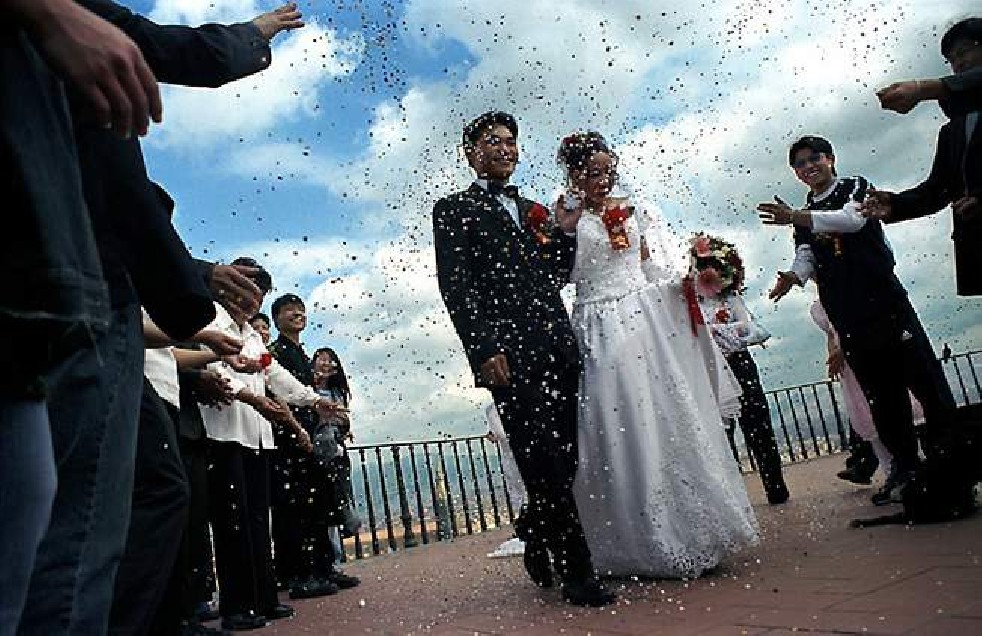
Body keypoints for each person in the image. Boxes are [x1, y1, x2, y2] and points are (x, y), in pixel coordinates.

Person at [1, 0, 158, 631]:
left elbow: (157, 45)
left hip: (29, 297)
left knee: (29, 503)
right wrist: (48, 11)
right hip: (39, 285)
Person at [555, 131, 757, 578]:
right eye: (593, 172)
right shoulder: (564, 215)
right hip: (595, 321)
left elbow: (648, 266)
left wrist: (690, 279)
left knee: (661, 412)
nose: (604, 179)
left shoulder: (635, 208)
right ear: (573, 173)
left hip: (641, 317)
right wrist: (564, 231)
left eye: (609, 169)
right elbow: (558, 273)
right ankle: (629, 538)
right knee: (616, 420)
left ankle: (690, 528)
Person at [432, 112, 614, 607]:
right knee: (543, 460)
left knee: (567, 457)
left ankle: (534, 528)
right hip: (507, 356)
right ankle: (578, 572)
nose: (505, 149)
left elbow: (552, 276)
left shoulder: (535, 210)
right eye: (493, 141)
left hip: (557, 344)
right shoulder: (452, 210)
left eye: (511, 141)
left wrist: (567, 233)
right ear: (471, 152)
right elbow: (456, 285)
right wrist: (483, 349)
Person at [759, 135, 957, 505]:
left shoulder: (854, 186)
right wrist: (794, 276)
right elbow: (807, 254)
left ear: (831, 158)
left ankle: (952, 458)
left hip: (884, 301)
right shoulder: (802, 216)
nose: (808, 166)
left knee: (925, 381)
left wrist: (797, 217)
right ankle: (904, 467)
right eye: (799, 164)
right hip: (847, 313)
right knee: (882, 396)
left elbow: (852, 221)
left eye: (813, 157)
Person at [201, 258, 347, 631]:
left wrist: (314, 400)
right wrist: (254, 400)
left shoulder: (251, 336)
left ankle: (264, 599)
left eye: (256, 295)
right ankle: (237, 605)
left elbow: (274, 375)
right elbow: (214, 371)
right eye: (244, 290)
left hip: (258, 438)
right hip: (224, 434)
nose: (250, 301)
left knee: (256, 522)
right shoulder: (212, 320)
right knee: (232, 523)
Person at [863, 18, 982, 297]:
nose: (958, 63)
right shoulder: (952, 131)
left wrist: (923, 88)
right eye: (952, 60)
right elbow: (937, 190)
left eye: (964, 51)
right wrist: (894, 204)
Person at [267, 295, 359, 600]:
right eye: (289, 309)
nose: (297, 313)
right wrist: (296, 429)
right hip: (292, 442)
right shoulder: (277, 353)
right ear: (277, 317)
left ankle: (322, 567)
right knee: (298, 509)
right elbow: (279, 392)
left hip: (310, 440)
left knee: (318, 504)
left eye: (300, 309)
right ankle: (301, 574)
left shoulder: (300, 356)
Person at [696, 252, 791, 505]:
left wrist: (721, 332)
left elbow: (749, 328)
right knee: (722, 431)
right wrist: (725, 332)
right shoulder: (693, 302)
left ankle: (776, 488)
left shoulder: (732, 298)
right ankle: (734, 497)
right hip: (710, 368)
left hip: (739, 364)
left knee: (758, 423)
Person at [810, 300, 894, 485]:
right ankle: (889, 472)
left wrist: (844, 349)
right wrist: (833, 355)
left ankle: (895, 469)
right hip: (850, 366)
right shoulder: (820, 307)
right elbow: (831, 335)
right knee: (868, 416)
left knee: (885, 411)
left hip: (865, 355)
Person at [310, 346, 362, 564]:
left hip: (337, 454)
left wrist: (331, 418)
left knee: (339, 501)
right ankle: (328, 561)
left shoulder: (337, 393)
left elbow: (343, 420)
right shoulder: (306, 390)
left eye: (330, 360)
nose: (326, 364)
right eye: (321, 359)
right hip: (316, 454)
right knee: (324, 505)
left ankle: (336, 560)